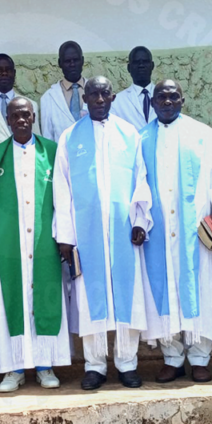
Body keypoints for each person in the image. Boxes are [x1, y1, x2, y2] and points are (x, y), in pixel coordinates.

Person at [53, 76, 151, 390]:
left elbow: (140, 180)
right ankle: (95, 365)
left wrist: (139, 221)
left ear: (112, 97)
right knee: (88, 297)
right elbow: (61, 189)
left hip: (123, 232)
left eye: (103, 94)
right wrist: (66, 236)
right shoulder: (70, 137)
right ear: (85, 99)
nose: (98, 99)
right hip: (87, 234)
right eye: (92, 94)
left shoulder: (129, 134)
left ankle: (127, 363)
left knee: (126, 295)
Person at [141, 80, 212, 384]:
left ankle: (199, 357)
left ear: (182, 100)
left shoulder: (202, 135)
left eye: (173, 97)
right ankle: (172, 357)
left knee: (202, 290)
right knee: (163, 289)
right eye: (161, 98)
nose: (167, 102)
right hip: (159, 232)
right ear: (153, 102)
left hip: (195, 232)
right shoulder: (141, 138)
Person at [0, 96, 69, 392]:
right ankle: (13, 369)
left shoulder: (52, 152)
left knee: (44, 298)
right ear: (8, 119)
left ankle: (45, 367)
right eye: (15, 115)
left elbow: (62, 199)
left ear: (34, 117)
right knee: (12, 302)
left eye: (26, 115)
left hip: (44, 242)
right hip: (10, 246)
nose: (21, 119)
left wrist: (63, 237)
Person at [40, 41, 88, 141]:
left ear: (82, 61)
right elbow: (47, 137)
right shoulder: (48, 98)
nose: (72, 64)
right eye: (67, 61)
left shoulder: (96, 92)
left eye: (76, 60)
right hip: (62, 155)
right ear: (60, 63)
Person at [111, 47, 156, 131]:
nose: (141, 65)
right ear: (129, 68)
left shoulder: (164, 98)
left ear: (152, 66)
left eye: (145, 62)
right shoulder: (117, 102)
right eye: (136, 62)